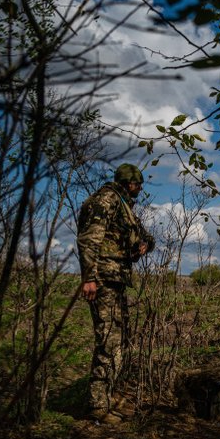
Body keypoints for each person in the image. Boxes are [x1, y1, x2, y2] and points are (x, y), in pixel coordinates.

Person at [77, 163, 155, 422]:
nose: (140, 188)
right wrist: (89, 278)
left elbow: (146, 237)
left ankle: (107, 400)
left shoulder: (124, 206)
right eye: (138, 184)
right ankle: (97, 407)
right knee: (109, 341)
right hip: (103, 281)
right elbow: (89, 240)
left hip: (117, 280)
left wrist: (143, 245)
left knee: (119, 341)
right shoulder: (106, 201)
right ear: (128, 183)